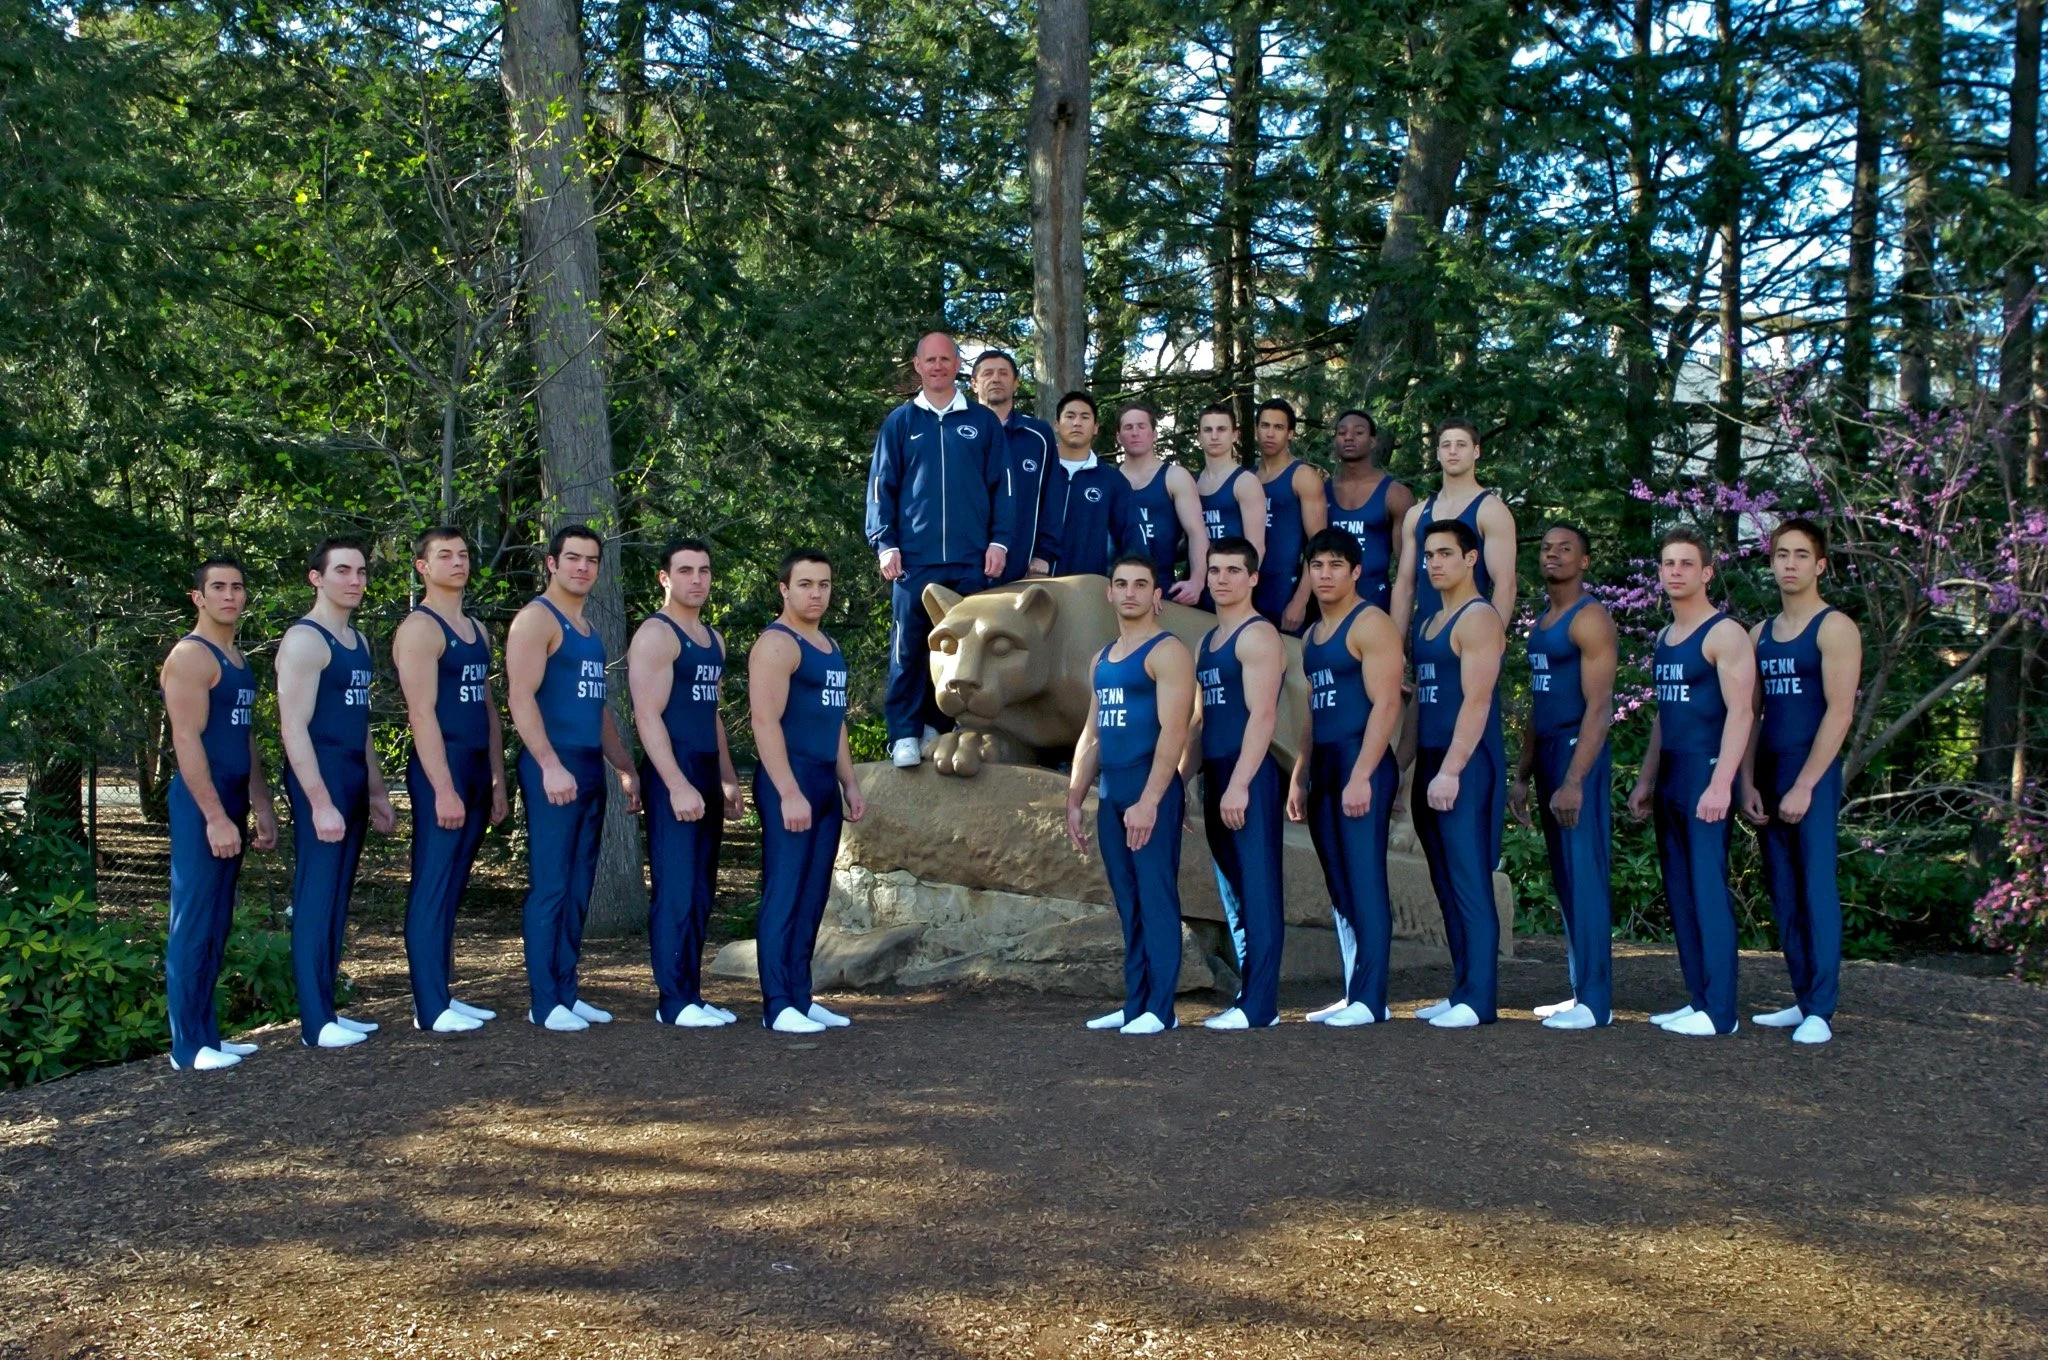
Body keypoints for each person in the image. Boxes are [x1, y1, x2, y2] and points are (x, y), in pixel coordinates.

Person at [505, 525, 642, 1033]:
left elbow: (596, 707)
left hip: (587, 764)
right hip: (554, 765)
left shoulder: (588, 630)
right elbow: (520, 697)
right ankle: (544, 1002)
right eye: (573, 558)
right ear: (551, 563)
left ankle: (565, 988)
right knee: (551, 886)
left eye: (591, 560)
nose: (583, 567)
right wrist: (547, 763)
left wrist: (624, 766)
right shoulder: (536, 620)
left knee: (580, 885)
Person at [1628, 526, 1755, 1038]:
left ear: (1706, 572)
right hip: (1673, 777)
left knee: (1707, 889)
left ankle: (1721, 1012)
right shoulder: (1665, 637)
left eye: (1685, 564)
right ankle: (1698, 997)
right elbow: (1665, 714)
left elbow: (1742, 712)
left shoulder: (1723, 634)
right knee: (1680, 892)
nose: (1675, 572)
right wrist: (1645, 778)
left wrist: (1723, 783)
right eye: (1667, 564)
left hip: (1706, 773)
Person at [866, 332, 1015, 769]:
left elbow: (1002, 489)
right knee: (908, 650)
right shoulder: (901, 423)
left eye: (945, 359)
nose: (937, 367)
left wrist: (999, 540)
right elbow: (881, 488)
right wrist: (885, 544)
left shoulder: (982, 423)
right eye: (929, 360)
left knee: (967, 652)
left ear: (956, 365)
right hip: (914, 562)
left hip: (971, 561)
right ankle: (905, 735)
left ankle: (944, 728)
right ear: (918, 366)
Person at [1741, 518, 1861, 1046]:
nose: (1788, 564)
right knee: (1783, 889)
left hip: (1809, 772)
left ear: (1820, 565)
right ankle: (1801, 995)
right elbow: (1748, 715)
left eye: (1799, 555)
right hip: (1768, 769)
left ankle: (1821, 1009)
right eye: (1780, 555)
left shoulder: (1834, 628)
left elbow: (1839, 714)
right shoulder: (1759, 634)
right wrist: (1745, 781)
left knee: (1815, 886)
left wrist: (1806, 785)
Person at [1066, 555, 1197, 1035]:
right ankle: (1136, 1001)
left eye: (1141, 584)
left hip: (1150, 788)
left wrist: (1151, 800)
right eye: (1121, 584)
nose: (1130, 592)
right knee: (1128, 901)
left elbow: (1174, 730)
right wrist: (1075, 797)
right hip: (1113, 791)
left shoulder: (1167, 652)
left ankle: (1161, 1010)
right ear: (1110, 593)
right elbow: (1092, 734)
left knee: (1156, 897)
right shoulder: (1102, 658)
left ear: (1156, 595)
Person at [275, 537, 397, 1050]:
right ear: (316, 578)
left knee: (338, 897)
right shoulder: (306, 640)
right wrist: (320, 801)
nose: (354, 580)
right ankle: (314, 1021)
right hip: (317, 778)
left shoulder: (359, 643)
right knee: (316, 895)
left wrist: (375, 789)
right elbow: (293, 727)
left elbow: (359, 724)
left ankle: (329, 1009)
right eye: (342, 571)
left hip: (349, 775)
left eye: (361, 571)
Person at [159, 557, 279, 1071]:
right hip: (199, 806)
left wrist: (260, 803)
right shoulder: (190, 657)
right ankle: (186, 1047)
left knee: (217, 919)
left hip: (230, 800)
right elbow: (186, 741)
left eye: (237, 587)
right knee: (192, 920)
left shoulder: (236, 658)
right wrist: (213, 816)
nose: (230, 595)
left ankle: (208, 1035)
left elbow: (242, 738)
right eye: (218, 588)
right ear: (198, 598)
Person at [392, 528, 509, 1036]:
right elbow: (421, 713)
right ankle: (428, 1005)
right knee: (432, 885)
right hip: (441, 769)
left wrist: (497, 777)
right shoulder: (420, 629)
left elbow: (485, 708)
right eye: (445, 556)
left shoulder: (476, 629)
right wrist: (442, 787)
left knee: (453, 884)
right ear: (423, 567)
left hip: (476, 767)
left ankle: (442, 993)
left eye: (463, 555)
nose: (457, 563)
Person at [629, 538, 746, 1029]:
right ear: (665, 578)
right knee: (676, 888)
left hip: (702, 769)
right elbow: (648, 715)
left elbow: (710, 714)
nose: (696, 580)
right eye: (685, 571)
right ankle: (672, 1001)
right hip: (671, 769)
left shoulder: (712, 640)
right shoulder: (657, 635)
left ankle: (691, 995)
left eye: (703, 570)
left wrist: (725, 776)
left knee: (700, 888)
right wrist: (675, 782)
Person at [748, 549, 867, 1034]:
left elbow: (833, 723)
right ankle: (777, 1003)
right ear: (784, 588)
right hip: (790, 779)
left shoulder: (827, 645)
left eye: (823, 584)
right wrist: (787, 790)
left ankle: (800, 994)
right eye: (805, 584)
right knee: (785, 891)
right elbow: (764, 721)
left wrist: (850, 782)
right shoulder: (778, 645)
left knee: (813, 894)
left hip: (822, 780)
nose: (815, 593)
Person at [1288, 529, 1403, 1027]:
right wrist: (1299, 773)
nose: (1326, 574)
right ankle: (1355, 986)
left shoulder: (1371, 623)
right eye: (1317, 566)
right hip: (1327, 767)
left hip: (1363, 763)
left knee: (1364, 877)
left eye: (1336, 565)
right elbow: (1315, 710)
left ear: (1356, 572)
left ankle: (1371, 999)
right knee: (1339, 883)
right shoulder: (1313, 635)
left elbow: (1387, 704)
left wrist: (1363, 775)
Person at [1509, 525, 1618, 1031]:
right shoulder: (1542, 622)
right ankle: (1581, 993)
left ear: (1586, 561)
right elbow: (1539, 703)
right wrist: (1523, 774)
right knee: (1567, 880)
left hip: (1579, 753)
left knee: (1586, 876)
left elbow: (1599, 709)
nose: (1552, 555)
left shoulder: (1589, 618)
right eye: (1546, 547)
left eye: (1565, 549)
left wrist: (1574, 779)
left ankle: (1597, 1003)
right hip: (1550, 752)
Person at [1408, 520, 1508, 1029]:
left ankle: (1481, 999)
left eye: (1446, 553)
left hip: (1463, 764)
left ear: (1472, 559)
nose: (1434, 563)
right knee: (1444, 881)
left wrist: (1451, 769)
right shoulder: (1427, 621)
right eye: (1428, 555)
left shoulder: (1478, 618)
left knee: (1469, 881)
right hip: (1430, 759)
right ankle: (1463, 985)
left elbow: (1478, 699)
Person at [1189, 536, 1287, 1029]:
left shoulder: (1257, 636)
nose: (1222, 579)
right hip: (1217, 774)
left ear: (1253, 578)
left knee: (1259, 889)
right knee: (1234, 892)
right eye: (1215, 570)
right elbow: (1201, 720)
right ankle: (1251, 993)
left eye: (1233, 571)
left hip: (1248, 777)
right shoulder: (1209, 641)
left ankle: (1261, 1005)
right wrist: (1181, 778)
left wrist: (1241, 784)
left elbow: (1263, 716)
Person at [1390, 418, 1517, 641]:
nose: (1453, 451)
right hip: (1425, 635)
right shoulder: (1417, 514)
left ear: (1476, 451)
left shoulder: (1490, 510)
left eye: (1461, 444)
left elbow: (1505, 584)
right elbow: (1405, 586)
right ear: (1438, 453)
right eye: (1446, 445)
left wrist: (1490, 641)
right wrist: (1395, 645)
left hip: (1471, 637)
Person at [1030, 391, 1141, 577]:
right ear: (1056, 425)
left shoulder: (1112, 480)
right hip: (1029, 579)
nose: (1077, 423)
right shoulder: (1035, 470)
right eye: (1070, 416)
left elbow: (1133, 538)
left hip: (1084, 588)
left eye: (1085, 417)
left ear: (1095, 427)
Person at [972, 350, 1056, 587]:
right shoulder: (958, 434)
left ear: (1016, 383)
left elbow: (1051, 498)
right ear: (974, 384)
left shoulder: (1038, 435)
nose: (996, 378)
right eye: (987, 373)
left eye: (1003, 373)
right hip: (966, 564)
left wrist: (1044, 554)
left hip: (1023, 565)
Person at [1113, 402, 1207, 605]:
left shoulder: (1175, 476)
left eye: (1141, 426)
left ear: (1154, 434)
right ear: (1119, 437)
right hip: (1118, 584)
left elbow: (1196, 532)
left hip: (1162, 584)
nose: (1135, 433)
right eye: (1128, 428)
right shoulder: (1109, 480)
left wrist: (1197, 581)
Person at [1250, 399, 1329, 632]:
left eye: (1278, 427)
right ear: (1256, 430)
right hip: (1252, 586)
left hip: (1286, 588)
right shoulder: (1248, 477)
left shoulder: (1302, 476)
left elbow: (1319, 545)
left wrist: (1301, 600)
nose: (1270, 434)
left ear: (1290, 433)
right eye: (1265, 426)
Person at [1325, 409, 1413, 612]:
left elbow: (1406, 570)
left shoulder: (1395, 494)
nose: (1348, 437)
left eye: (1358, 432)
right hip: (1327, 604)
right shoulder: (1321, 492)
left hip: (1375, 601)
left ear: (1373, 442)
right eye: (1342, 432)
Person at [1194, 403, 1267, 586]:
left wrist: (1244, 587)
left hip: (1233, 582)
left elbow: (1256, 546)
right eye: (1208, 430)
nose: (1214, 436)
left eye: (1222, 429)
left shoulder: (1245, 482)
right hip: (1201, 579)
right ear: (1199, 437)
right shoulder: (1192, 483)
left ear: (1235, 435)